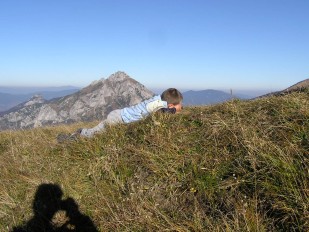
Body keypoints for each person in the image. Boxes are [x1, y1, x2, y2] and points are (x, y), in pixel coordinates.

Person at [63, 88, 182, 140]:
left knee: (97, 131)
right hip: (117, 118)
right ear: (170, 105)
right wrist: (174, 110)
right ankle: (78, 134)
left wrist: (172, 107)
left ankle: (80, 133)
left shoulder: (158, 99)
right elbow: (161, 111)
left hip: (119, 116)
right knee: (95, 133)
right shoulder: (157, 105)